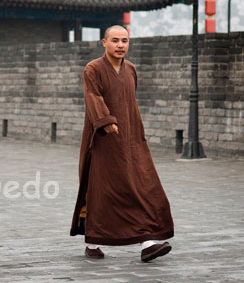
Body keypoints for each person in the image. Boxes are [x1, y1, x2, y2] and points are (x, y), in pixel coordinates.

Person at [70, 25, 174, 262]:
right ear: (103, 42)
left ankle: (147, 240)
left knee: (145, 187)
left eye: (124, 41)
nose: (120, 45)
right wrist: (106, 121)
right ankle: (96, 241)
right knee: (104, 191)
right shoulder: (93, 69)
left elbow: (130, 104)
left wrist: (135, 133)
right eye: (115, 40)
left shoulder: (131, 69)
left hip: (131, 139)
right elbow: (93, 98)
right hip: (103, 140)